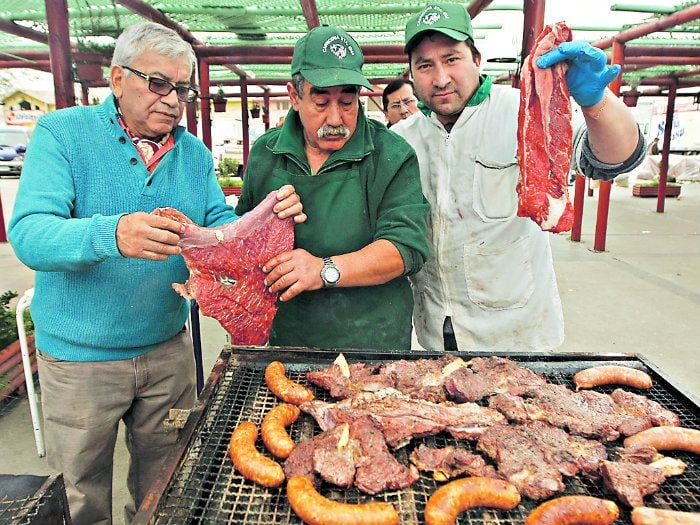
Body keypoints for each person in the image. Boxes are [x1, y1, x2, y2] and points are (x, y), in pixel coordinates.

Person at [8, 22, 304, 525]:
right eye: (157, 83)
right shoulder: (63, 134)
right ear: (118, 78)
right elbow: (31, 234)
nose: (172, 100)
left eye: (183, 89)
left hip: (166, 352)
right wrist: (112, 234)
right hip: (82, 361)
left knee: (167, 478)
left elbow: (215, 227)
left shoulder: (193, 155)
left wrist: (262, 220)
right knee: (80, 492)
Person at [392, 3, 646, 352]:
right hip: (437, 329)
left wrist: (596, 102)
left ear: (476, 59)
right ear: (410, 73)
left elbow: (612, 160)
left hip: (518, 332)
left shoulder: (522, 110)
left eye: (452, 59)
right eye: (425, 65)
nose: (440, 78)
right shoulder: (403, 138)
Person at [235, 25, 431, 350]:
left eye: (347, 101)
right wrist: (264, 220)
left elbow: (406, 248)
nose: (336, 118)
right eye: (322, 103)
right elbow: (241, 243)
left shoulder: (391, 155)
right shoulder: (266, 154)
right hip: (289, 337)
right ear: (294, 96)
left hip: (373, 342)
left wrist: (323, 270)